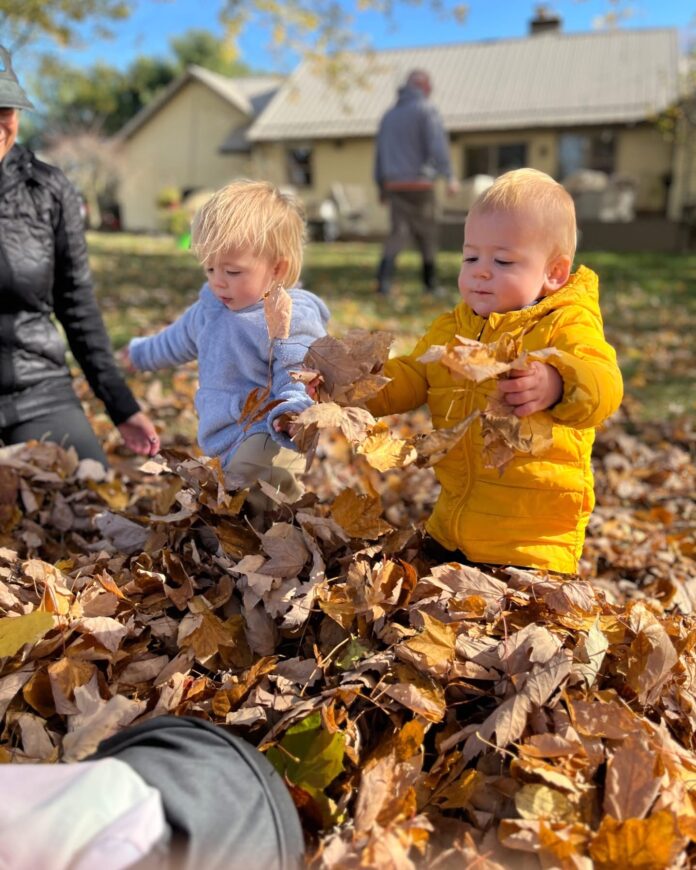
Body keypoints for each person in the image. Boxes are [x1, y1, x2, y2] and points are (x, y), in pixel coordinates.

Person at [367, 168, 623, 574]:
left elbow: (605, 384)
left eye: (503, 260)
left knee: (512, 627)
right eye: (471, 257)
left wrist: (558, 381)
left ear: (554, 273)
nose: (481, 270)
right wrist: (360, 388)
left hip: (534, 543)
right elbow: (414, 376)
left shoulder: (563, 324)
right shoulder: (454, 326)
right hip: (453, 526)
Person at [0, 45, 159, 466]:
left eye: (5, 108)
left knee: (89, 504)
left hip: (37, 389)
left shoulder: (49, 191)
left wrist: (121, 405)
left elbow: (77, 305)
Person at [124, 179, 329, 504]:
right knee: (231, 498)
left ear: (277, 268)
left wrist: (292, 413)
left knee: (257, 488)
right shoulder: (210, 307)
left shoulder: (289, 316)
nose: (218, 282)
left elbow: (299, 372)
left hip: (272, 431)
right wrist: (139, 354)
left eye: (233, 272)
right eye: (209, 268)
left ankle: (284, 533)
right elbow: (175, 340)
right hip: (221, 432)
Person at [374, 69, 460, 296]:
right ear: (422, 86)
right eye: (430, 86)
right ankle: (430, 284)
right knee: (428, 233)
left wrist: (380, 185)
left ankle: (383, 282)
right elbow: (437, 145)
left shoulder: (388, 115)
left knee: (397, 234)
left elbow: (379, 154)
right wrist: (449, 175)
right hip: (421, 185)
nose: (432, 91)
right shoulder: (426, 110)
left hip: (394, 186)